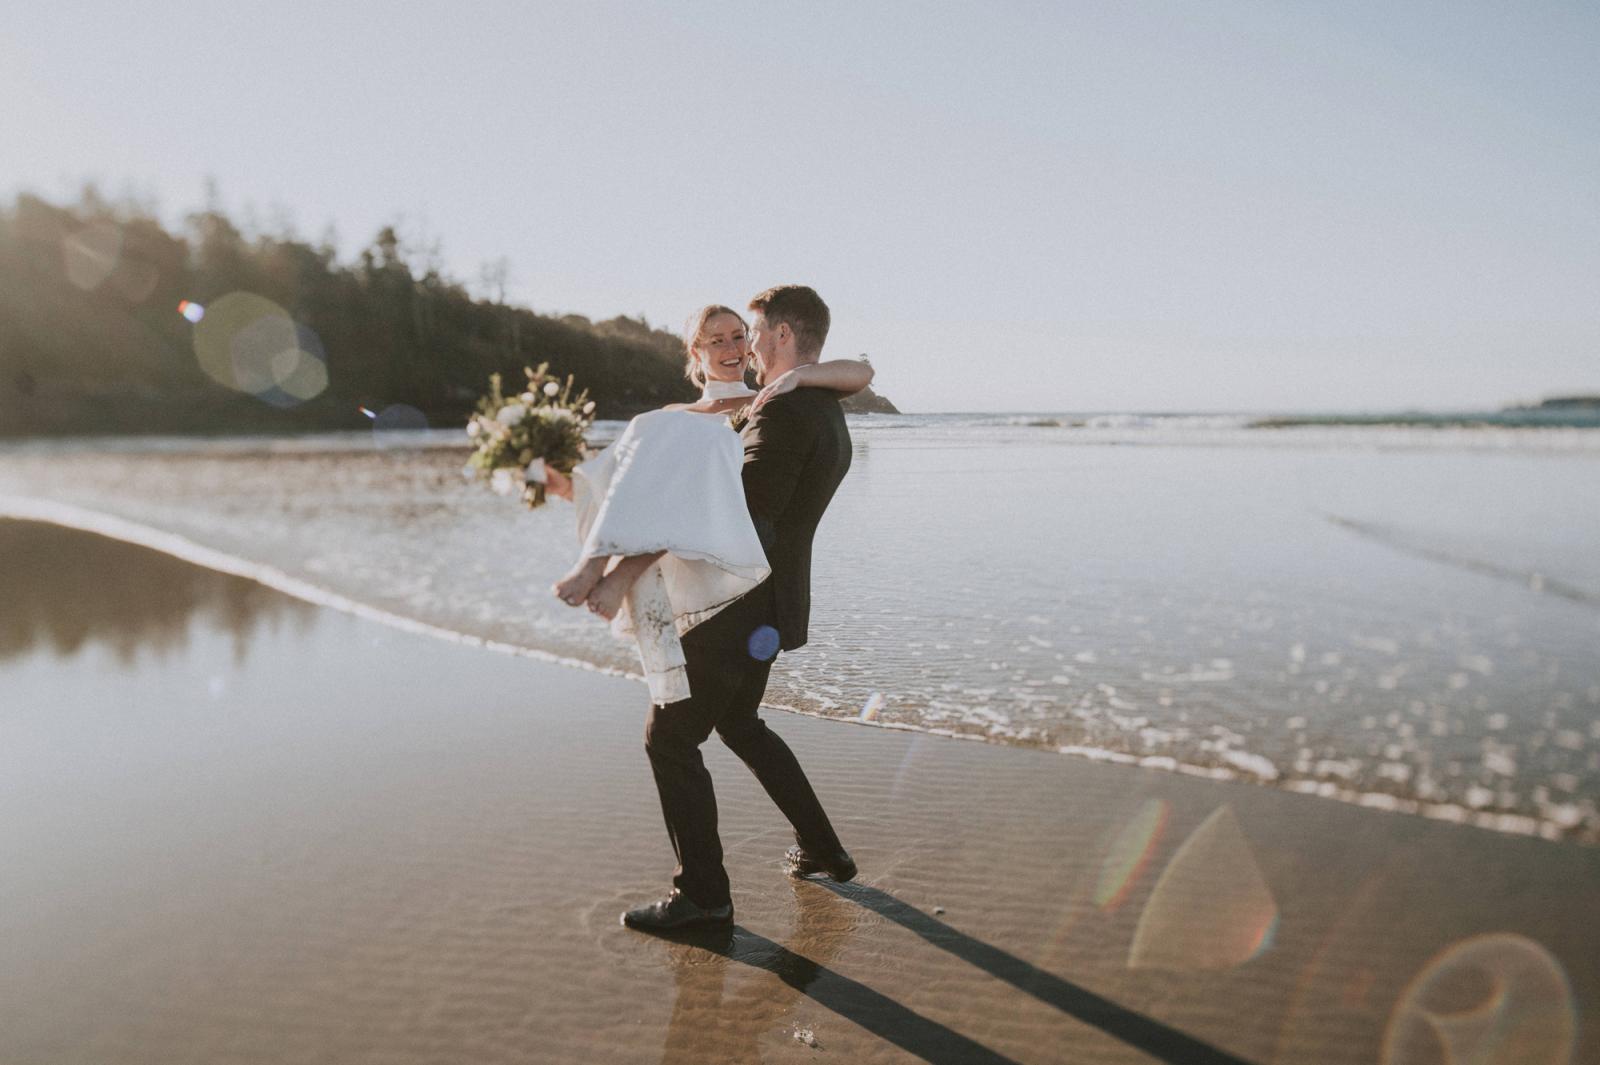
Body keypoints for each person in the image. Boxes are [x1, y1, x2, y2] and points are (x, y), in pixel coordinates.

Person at [547, 287, 865, 931]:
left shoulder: (782, 414)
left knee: (669, 740)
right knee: (742, 725)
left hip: (743, 607)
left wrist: (619, 567)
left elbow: (740, 522)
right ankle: (825, 849)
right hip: (775, 605)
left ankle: (704, 898)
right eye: (721, 338)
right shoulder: (819, 407)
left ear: (776, 336)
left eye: (748, 332)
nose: (740, 344)